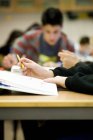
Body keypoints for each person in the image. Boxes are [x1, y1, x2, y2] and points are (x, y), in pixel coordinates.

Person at [3, 7, 75, 69]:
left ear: (61, 27)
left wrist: (59, 67)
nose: (52, 37)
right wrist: (12, 60)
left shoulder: (69, 45)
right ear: (42, 28)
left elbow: (73, 69)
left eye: (56, 32)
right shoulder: (28, 38)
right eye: (48, 32)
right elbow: (15, 55)